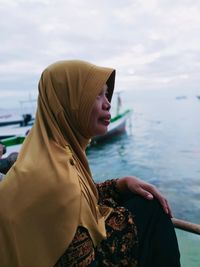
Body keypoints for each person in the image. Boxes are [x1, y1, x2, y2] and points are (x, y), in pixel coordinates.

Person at [0, 60, 180, 267]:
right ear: (69, 102)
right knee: (151, 208)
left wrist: (121, 184)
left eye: (107, 94)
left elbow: (77, 198)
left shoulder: (43, 157)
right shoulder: (54, 177)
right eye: (97, 94)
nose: (108, 103)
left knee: (137, 200)